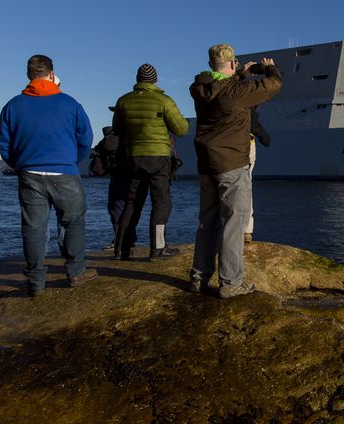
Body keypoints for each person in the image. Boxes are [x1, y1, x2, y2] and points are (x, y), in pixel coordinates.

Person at [0, 54, 96, 297]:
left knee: (34, 227)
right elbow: (86, 139)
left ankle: (35, 281)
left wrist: (20, 164)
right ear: (51, 74)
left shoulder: (13, 105)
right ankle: (75, 272)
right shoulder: (70, 104)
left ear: (30, 75)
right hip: (65, 172)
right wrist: (71, 161)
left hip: (29, 173)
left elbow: (4, 144)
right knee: (73, 222)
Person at [188, 44, 281, 298]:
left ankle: (199, 277)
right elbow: (273, 85)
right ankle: (230, 283)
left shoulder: (200, 88)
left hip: (206, 164)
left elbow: (221, 89)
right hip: (232, 164)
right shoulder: (238, 92)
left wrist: (239, 75)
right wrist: (269, 68)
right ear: (232, 64)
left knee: (207, 222)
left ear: (210, 65)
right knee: (233, 222)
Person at [111, 64, 189, 261]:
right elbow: (182, 129)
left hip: (134, 157)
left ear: (138, 79)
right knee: (160, 202)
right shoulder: (164, 100)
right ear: (155, 80)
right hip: (159, 157)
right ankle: (157, 249)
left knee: (131, 203)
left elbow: (117, 129)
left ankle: (121, 249)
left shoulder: (123, 101)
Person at [90, 123, 142, 255]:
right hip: (131, 177)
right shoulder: (130, 136)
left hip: (119, 177)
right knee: (126, 209)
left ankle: (120, 241)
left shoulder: (112, 138)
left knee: (116, 209)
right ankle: (129, 240)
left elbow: (102, 147)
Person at [244, 108, 271, 244]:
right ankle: (246, 230)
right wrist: (263, 136)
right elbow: (252, 122)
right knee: (245, 188)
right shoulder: (245, 97)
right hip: (243, 146)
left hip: (217, 146)